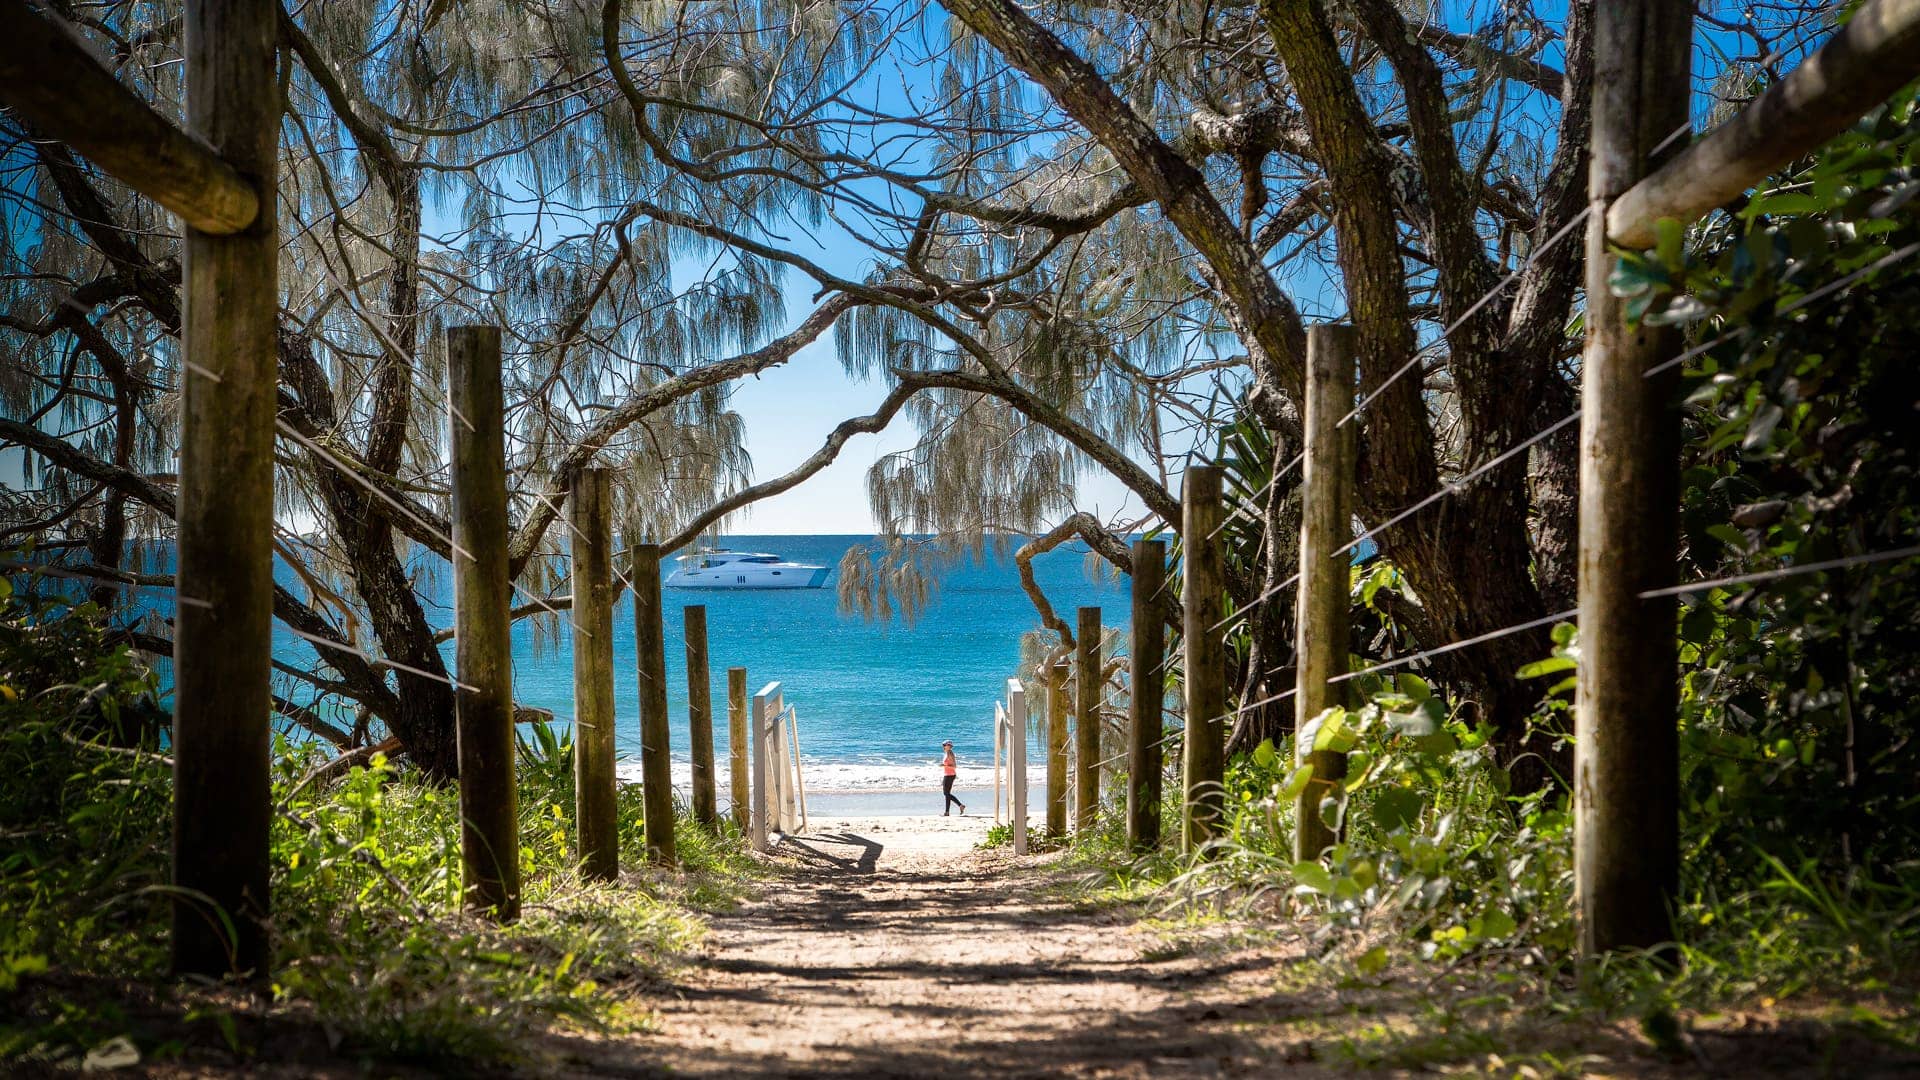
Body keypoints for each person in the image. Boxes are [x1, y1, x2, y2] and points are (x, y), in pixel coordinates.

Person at [940, 739, 966, 817]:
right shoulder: (946, 753)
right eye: (944, 745)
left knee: (946, 793)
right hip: (948, 774)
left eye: (946, 745)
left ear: (949, 746)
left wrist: (944, 766)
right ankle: (947, 812)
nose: (944, 746)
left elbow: (954, 766)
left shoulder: (950, 754)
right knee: (947, 794)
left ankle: (960, 805)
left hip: (950, 775)